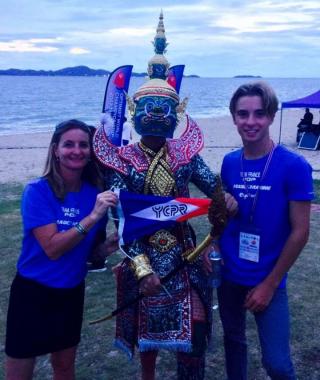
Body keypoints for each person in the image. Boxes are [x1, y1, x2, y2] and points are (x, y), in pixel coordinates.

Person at [93, 12, 237, 380]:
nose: (156, 113)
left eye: (164, 109)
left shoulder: (186, 156)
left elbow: (213, 187)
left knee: (195, 340)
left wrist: (225, 202)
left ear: (178, 113)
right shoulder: (123, 161)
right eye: (148, 107)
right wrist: (142, 269)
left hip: (185, 257)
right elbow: (123, 222)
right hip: (145, 259)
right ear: (132, 111)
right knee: (149, 344)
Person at [204, 82, 313, 380]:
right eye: (243, 114)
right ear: (234, 117)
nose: (250, 122)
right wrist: (213, 246)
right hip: (229, 275)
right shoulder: (229, 163)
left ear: (271, 116)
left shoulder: (294, 166)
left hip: (269, 278)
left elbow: (300, 232)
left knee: (277, 364)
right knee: (234, 342)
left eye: (259, 114)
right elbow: (222, 217)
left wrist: (269, 284)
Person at [5, 119, 118, 380]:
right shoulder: (37, 191)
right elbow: (53, 249)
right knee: (19, 369)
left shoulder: (95, 194)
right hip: (33, 292)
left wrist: (105, 249)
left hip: (70, 293)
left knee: (64, 366)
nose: (76, 150)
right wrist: (91, 217)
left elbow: (86, 254)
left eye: (83, 145)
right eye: (69, 144)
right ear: (55, 149)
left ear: (91, 152)